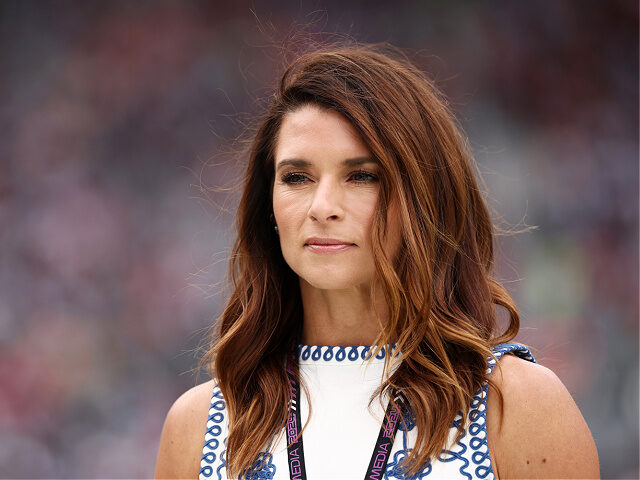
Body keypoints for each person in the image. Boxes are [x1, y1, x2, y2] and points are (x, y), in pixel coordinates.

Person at [154, 43, 599, 480]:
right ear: (267, 206)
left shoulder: (515, 406)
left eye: (362, 176)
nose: (322, 206)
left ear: (425, 200)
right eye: (297, 177)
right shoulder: (199, 426)